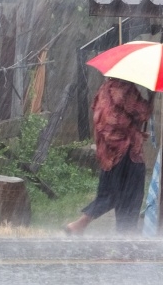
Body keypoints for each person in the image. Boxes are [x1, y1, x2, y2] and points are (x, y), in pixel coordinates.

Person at [65, 78, 151, 234]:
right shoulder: (125, 90)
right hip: (127, 153)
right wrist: (151, 97)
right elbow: (142, 112)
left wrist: (134, 129)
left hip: (108, 153)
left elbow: (108, 115)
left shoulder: (104, 89)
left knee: (109, 194)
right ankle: (124, 244)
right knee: (130, 198)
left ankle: (79, 225)